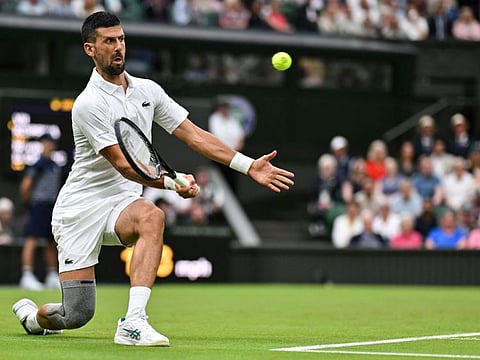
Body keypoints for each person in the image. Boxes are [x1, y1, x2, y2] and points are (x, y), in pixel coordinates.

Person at [12, 11, 294, 346]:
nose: (118, 47)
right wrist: (174, 183)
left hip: (122, 205)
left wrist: (249, 166)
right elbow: (125, 165)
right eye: (108, 41)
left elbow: (195, 136)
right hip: (79, 211)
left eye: (121, 39)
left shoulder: (148, 90)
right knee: (76, 314)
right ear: (90, 49)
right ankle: (32, 317)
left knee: (151, 215)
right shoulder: (88, 104)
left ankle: (133, 321)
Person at [18, 134, 63, 291]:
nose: (49, 145)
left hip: (52, 206)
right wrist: (29, 204)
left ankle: (52, 275)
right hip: (39, 205)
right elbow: (26, 186)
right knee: (32, 239)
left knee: (51, 241)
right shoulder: (38, 164)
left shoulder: (55, 165)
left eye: (51, 143)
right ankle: (27, 275)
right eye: (46, 142)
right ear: (43, 144)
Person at [207, 101, 246, 194]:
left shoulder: (233, 120)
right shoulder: (214, 119)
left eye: (226, 107)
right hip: (219, 157)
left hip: (233, 157)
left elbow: (240, 138)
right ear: (219, 108)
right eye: (223, 107)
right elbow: (216, 137)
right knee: (220, 180)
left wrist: (234, 152)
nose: (225, 109)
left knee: (232, 181)